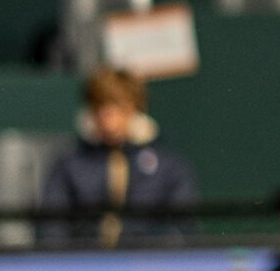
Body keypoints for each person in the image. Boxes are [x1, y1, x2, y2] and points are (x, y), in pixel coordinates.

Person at [37, 67, 199, 245]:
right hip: (85, 265)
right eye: (101, 109)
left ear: (136, 110)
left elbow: (181, 228)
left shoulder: (171, 167)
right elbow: (52, 228)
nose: (110, 120)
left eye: (120, 108)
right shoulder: (68, 165)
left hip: (149, 265)